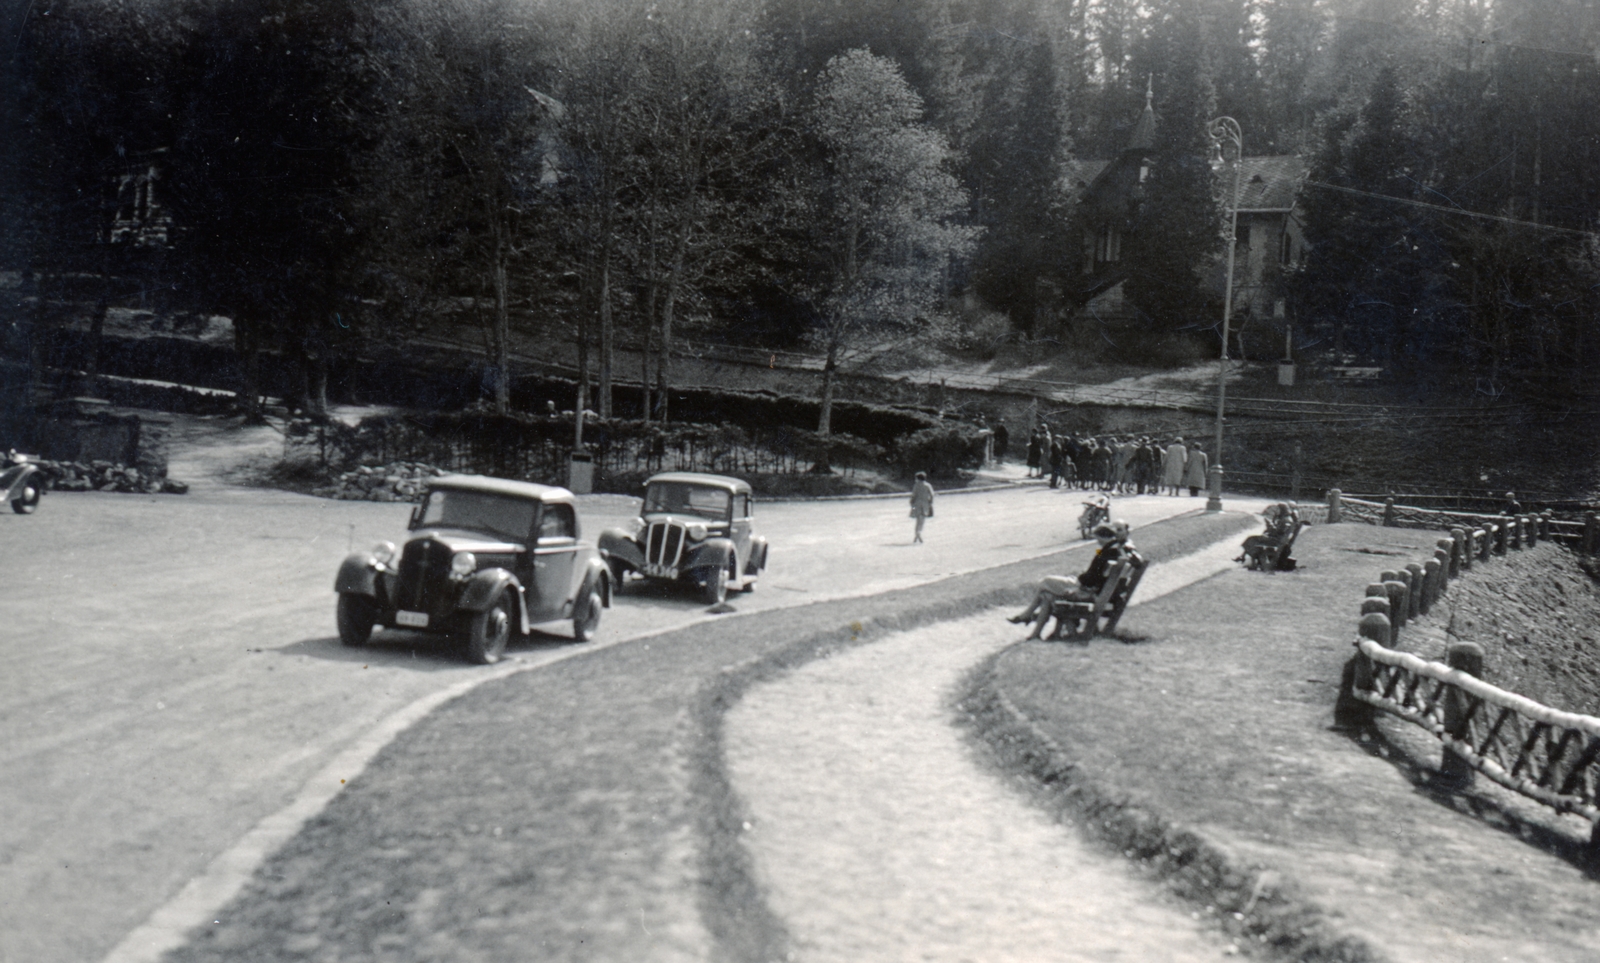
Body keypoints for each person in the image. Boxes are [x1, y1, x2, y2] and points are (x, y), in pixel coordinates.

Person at [1008, 520, 1133, 640]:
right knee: (1045, 595)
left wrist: (1079, 580)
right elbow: (1097, 576)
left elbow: (1091, 578)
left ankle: (1028, 617)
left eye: (1098, 538)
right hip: (1097, 591)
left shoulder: (1107, 552)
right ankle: (1033, 631)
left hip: (1086, 590)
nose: (1097, 542)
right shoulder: (1114, 550)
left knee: (1045, 582)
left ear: (1104, 536)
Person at [1238, 502, 1301, 569]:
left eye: (1279, 510)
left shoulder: (1286, 520)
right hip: (1279, 541)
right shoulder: (1287, 519)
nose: (1278, 512)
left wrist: (1270, 526)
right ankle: (1245, 557)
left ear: (1282, 510)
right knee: (1253, 539)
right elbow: (1279, 531)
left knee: (1251, 539)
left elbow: (1279, 532)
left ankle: (1247, 558)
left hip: (1275, 541)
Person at [909, 471, 935, 544]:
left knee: (917, 521)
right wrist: (930, 502)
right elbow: (932, 494)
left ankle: (917, 535)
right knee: (922, 521)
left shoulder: (916, 485)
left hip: (916, 504)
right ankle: (918, 533)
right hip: (925, 504)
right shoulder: (927, 485)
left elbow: (913, 495)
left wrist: (911, 503)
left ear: (918, 478)